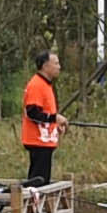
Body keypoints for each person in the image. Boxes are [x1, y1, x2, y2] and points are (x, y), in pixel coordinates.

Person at [19, 48, 66, 185]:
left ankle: (34, 205)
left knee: (43, 180)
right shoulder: (37, 85)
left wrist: (55, 125)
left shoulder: (46, 85)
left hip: (45, 140)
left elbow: (45, 113)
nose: (59, 67)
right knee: (38, 181)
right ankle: (29, 205)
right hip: (38, 141)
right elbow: (32, 113)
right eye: (56, 63)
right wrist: (54, 118)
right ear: (45, 66)